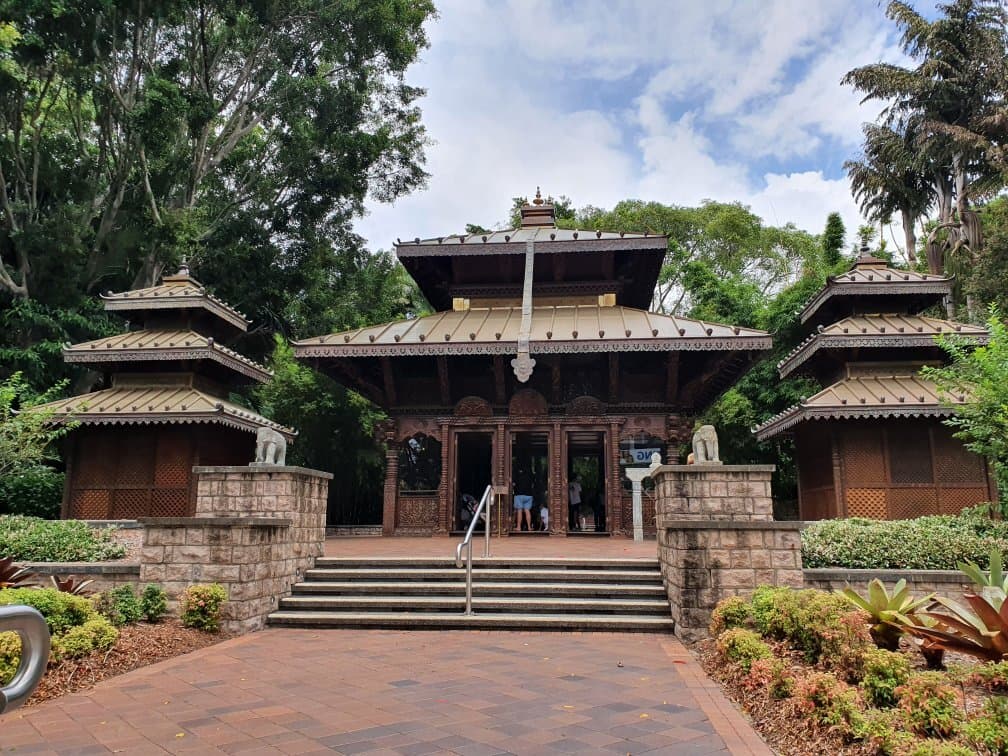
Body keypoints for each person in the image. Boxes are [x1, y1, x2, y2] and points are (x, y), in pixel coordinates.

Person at [513, 466, 534, 532]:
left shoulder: (517, 475)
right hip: (529, 495)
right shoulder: (530, 476)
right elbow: (533, 484)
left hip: (519, 494)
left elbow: (513, 484)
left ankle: (518, 527)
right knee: (527, 510)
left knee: (519, 510)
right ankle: (529, 527)